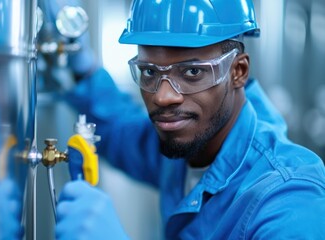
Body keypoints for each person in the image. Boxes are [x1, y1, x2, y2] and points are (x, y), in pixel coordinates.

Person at [56, 0, 325, 239]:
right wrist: (83, 67)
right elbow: (121, 131)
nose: (163, 97)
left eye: (193, 71)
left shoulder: (288, 199)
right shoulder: (189, 136)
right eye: (149, 71)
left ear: (238, 71)